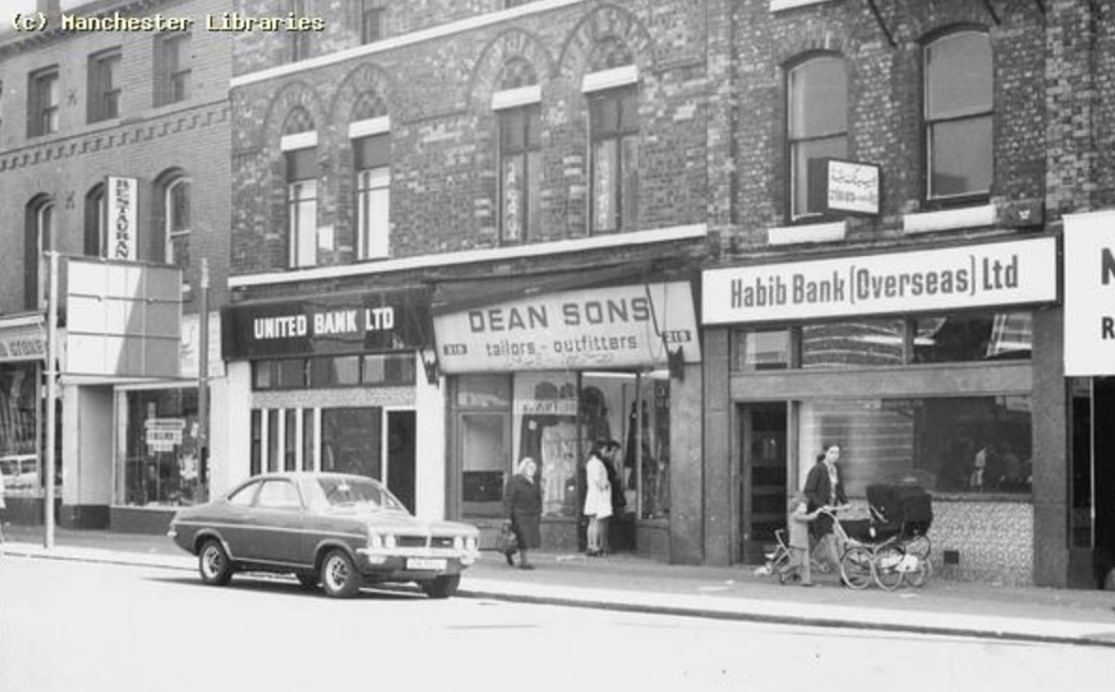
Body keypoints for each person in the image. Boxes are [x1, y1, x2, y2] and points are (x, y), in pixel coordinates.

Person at [803, 444, 847, 575]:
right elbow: (808, 491)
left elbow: (839, 489)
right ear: (825, 453)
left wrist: (846, 503)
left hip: (830, 511)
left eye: (837, 453)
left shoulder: (837, 469)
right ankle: (843, 575)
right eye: (832, 452)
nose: (835, 455)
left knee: (812, 541)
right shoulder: (817, 469)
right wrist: (822, 505)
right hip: (818, 512)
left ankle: (794, 568)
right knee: (829, 539)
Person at [502, 457, 542, 570]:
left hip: (531, 513)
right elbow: (508, 499)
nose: (532, 470)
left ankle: (509, 552)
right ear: (523, 468)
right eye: (530, 467)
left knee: (525, 539)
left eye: (534, 468)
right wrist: (507, 517)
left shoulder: (534, 482)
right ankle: (524, 562)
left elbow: (538, 498)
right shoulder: (515, 481)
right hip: (518, 514)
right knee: (523, 538)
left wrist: (538, 511)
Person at [780, 490, 818, 586]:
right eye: (802, 506)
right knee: (796, 563)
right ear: (797, 507)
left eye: (805, 506)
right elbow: (808, 518)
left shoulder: (802, 515)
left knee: (806, 564)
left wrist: (817, 511)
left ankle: (806, 581)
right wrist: (815, 514)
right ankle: (783, 571)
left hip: (804, 542)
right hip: (796, 543)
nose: (804, 508)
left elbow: (808, 516)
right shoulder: (795, 515)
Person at [583, 441, 615, 556]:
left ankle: (590, 545)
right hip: (597, 495)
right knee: (596, 521)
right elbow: (598, 480)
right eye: (604, 449)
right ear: (599, 450)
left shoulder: (590, 463)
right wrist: (605, 485)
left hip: (591, 493)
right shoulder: (598, 463)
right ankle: (595, 546)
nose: (604, 452)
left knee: (591, 522)